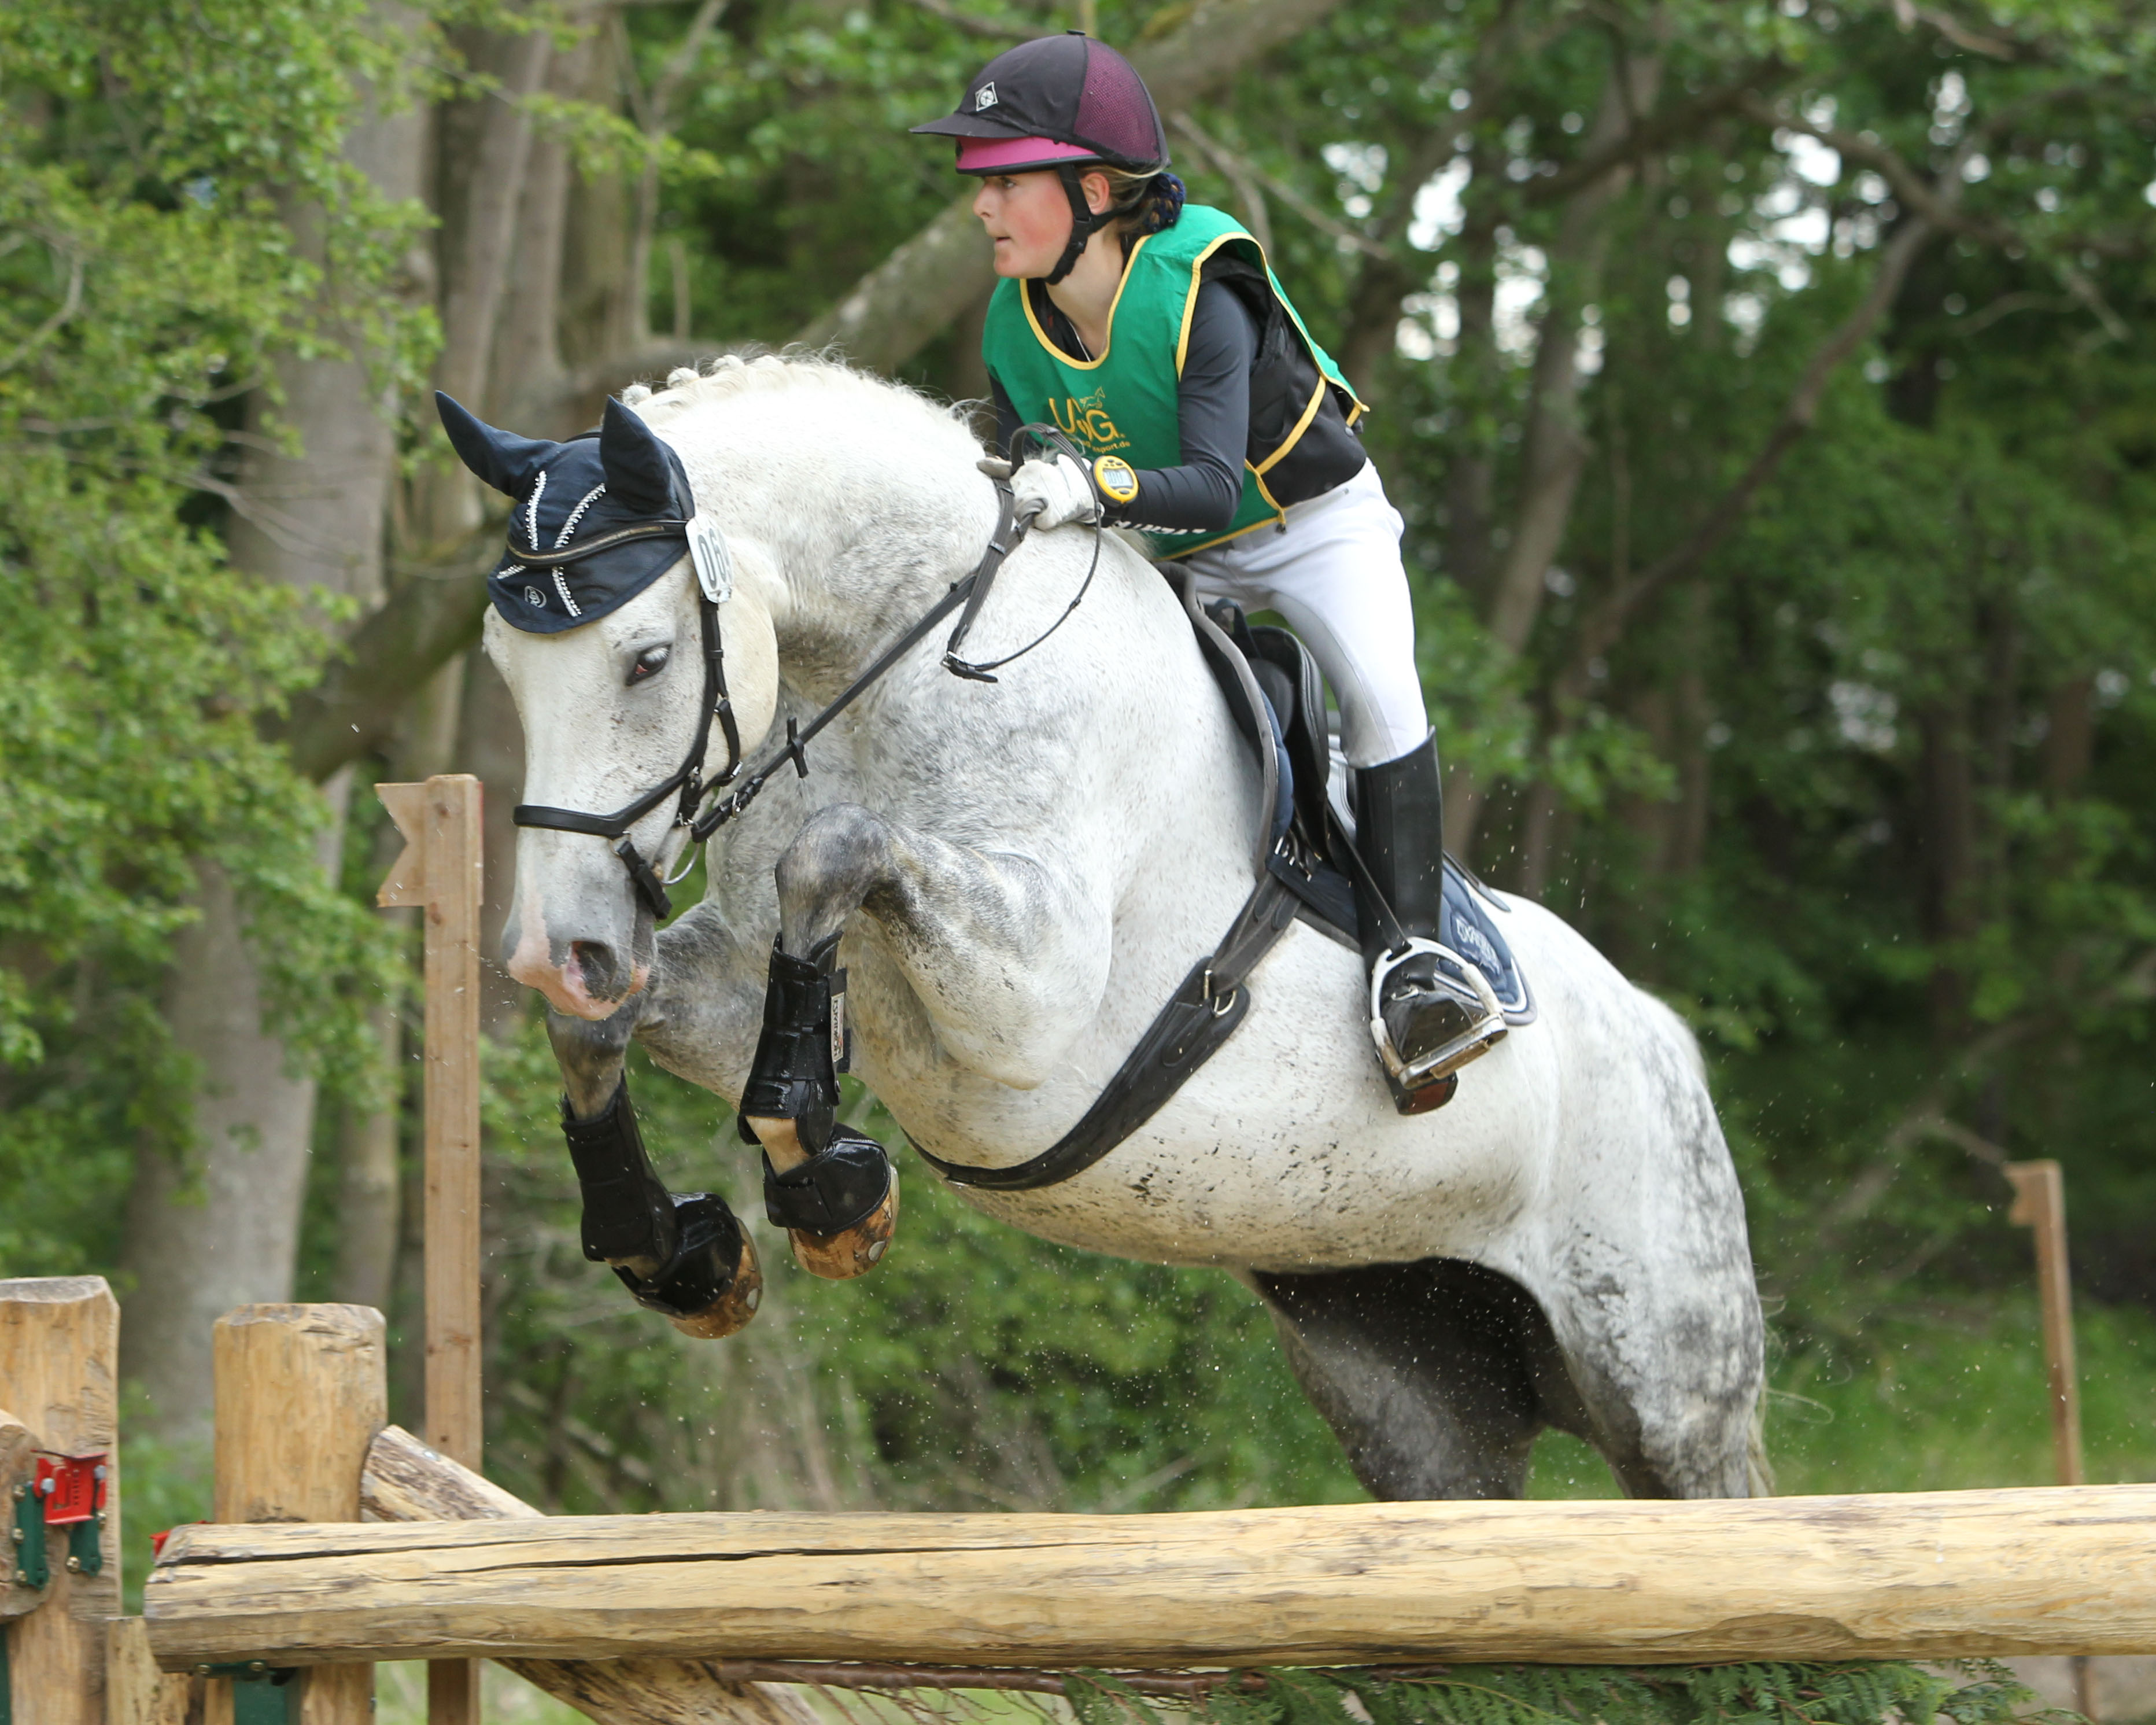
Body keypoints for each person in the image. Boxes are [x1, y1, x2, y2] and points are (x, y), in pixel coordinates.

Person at [911, 32, 1502, 1112]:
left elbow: (1213, 481)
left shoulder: (1200, 285)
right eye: (977, 182)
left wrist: (1091, 487)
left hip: (1307, 524)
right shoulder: (1012, 318)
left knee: (1378, 693)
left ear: (1093, 188)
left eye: (1004, 180)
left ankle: (1417, 966)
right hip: (1173, 549)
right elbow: (1033, 471)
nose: (980, 205)